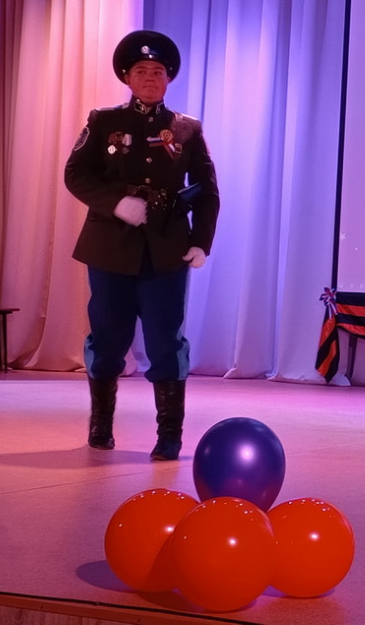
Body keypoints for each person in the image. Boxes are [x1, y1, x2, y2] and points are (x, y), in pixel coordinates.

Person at [64, 30, 220, 460]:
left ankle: (169, 434)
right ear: (127, 78)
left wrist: (201, 243)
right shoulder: (103, 122)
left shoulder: (186, 129)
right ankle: (100, 425)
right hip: (110, 247)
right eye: (141, 71)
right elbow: (75, 174)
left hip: (166, 250)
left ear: (168, 79)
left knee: (166, 341)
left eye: (158, 72)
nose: (150, 78)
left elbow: (207, 190)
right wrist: (115, 203)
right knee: (107, 338)